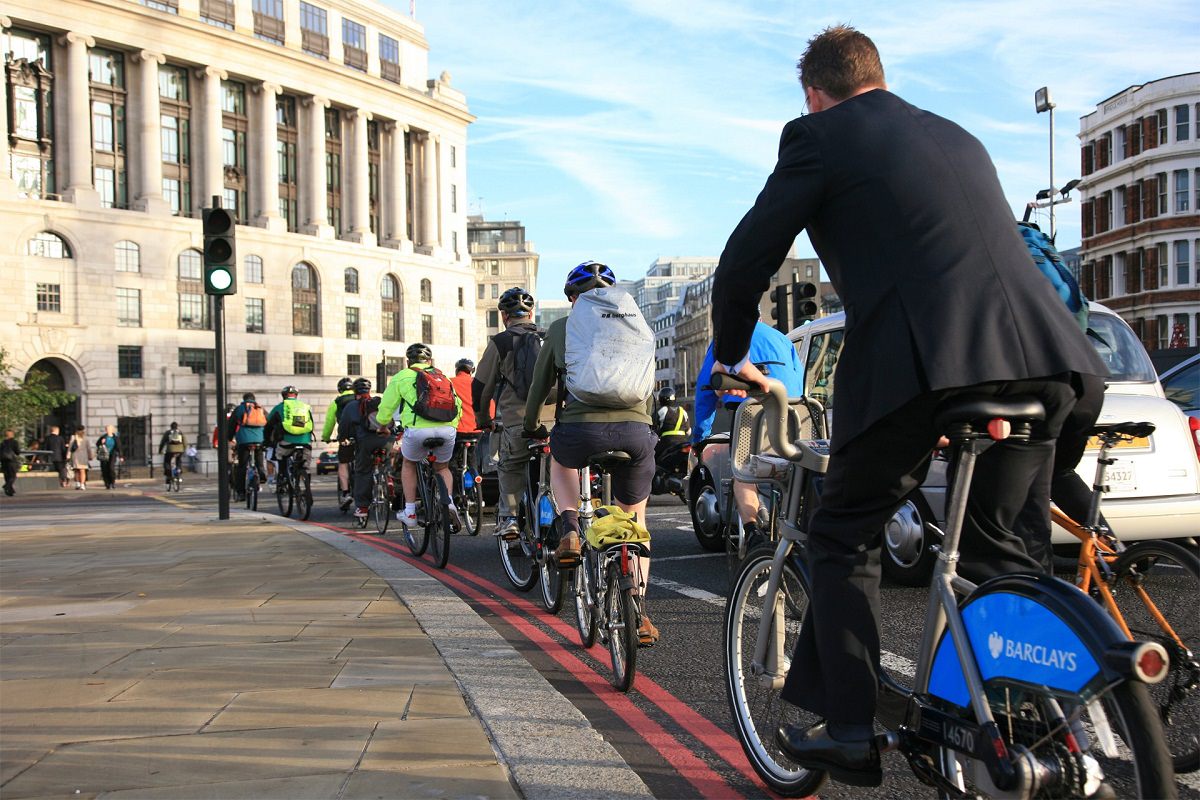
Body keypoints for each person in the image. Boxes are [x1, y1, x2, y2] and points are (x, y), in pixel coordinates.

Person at [708, 26, 1106, 786]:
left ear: (815, 94)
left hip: (928, 364)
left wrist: (731, 349)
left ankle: (852, 729)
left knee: (845, 529)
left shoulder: (817, 136)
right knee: (1002, 556)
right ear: (880, 76)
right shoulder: (957, 135)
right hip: (1051, 361)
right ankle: (1031, 729)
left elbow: (745, 259)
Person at [523, 261, 660, 645]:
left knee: (562, 462)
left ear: (572, 299)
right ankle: (639, 610)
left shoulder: (562, 328)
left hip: (580, 430)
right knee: (635, 522)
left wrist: (531, 425)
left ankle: (569, 528)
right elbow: (647, 385)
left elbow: (540, 385)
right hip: (636, 431)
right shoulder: (637, 328)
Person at [693, 321, 804, 544]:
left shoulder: (725, 342)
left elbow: (705, 394)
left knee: (743, 472)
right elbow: (800, 383)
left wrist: (700, 437)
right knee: (792, 471)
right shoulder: (782, 339)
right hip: (791, 414)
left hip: (748, 413)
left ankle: (753, 532)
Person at [472, 286, 555, 539]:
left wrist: (483, 419)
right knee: (560, 473)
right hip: (555, 424)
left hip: (518, 421)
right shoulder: (550, 337)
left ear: (504, 316)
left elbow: (482, 387)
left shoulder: (500, 341)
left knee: (509, 465)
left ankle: (509, 518)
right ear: (532, 314)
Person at [373, 343, 463, 530]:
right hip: (447, 429)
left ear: (408, 362)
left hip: (417, 430)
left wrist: (383, 425)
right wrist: (452, 426)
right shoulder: (442, 377)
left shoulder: (402, 377)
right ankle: (449, 503)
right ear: (429, 361)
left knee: (409, 463)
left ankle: (410, 511)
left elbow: (386, 407)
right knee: (442, 467)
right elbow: (457, 405)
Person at [339, 378, 388, 521]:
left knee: (362, 471)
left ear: (355, 391)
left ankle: (362, 507)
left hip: (366, 442)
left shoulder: (351, 406)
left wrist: (343, 438)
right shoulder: (379, 402)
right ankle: (388, 482)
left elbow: (344, 426)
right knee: (387, 463)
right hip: (386, 439)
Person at [265, 385, 315, 490]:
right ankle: (307, 490)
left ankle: (283, 478)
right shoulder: (304, 407)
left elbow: (268, 425)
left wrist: (267, 441)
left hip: (287, 441)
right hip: (305, 441)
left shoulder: (279, 407)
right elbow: (310, 424)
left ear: (283, 396)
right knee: (306, 467)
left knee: (280, 456)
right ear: (296, 396)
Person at [322, 377, 357, 507]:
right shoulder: (359, 398)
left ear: (340, 390)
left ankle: (346, 493)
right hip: (361, 436)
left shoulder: (336, 402)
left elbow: (330, 422)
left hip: (345, 437)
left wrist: (326, 437)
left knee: (343, 463)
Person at [226, 393, 267, 499]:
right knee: (259, 458)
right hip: (259, 439)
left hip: (244, 440)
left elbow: (231, 425)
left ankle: (241, 493)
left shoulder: (239, 409)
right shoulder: (260, 408)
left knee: (242, 466)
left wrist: (229, 438)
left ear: (244, 399)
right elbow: (269, 422)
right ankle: (261, 471)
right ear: (254, 399)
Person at [157, 422, 187, 487]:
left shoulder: (168, 432)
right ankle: (179, 470)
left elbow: (162, 442)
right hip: (180, 450)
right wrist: (183, 449)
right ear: (177, 426)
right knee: (178, 461)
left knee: (167, 462)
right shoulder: (180, 432)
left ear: (171, 427)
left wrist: (160, 451)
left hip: (170, 450)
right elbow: (185, 442)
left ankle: (168, 475)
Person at [96, 424, 122, 490]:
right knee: (104, 469)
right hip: (104, 455)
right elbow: (97, 444)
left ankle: (112, 482)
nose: (108, 430)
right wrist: (101, 442)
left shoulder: (115, 438)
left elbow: (119, 447)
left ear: (112, 430)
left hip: (112, 454)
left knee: (111, 468)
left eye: (109, 429)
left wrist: (121, 456)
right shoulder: (103, 437)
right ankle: (107, 483)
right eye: (107, 429)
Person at [1, 429, 20, 496]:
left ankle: (10, 492)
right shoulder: (14, 442)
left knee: (7, 476)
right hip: (11, 461)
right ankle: (6, 486)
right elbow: (17, 452)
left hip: (3, 462)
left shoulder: (2, 443)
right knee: (13, 476)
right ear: (12, 435)